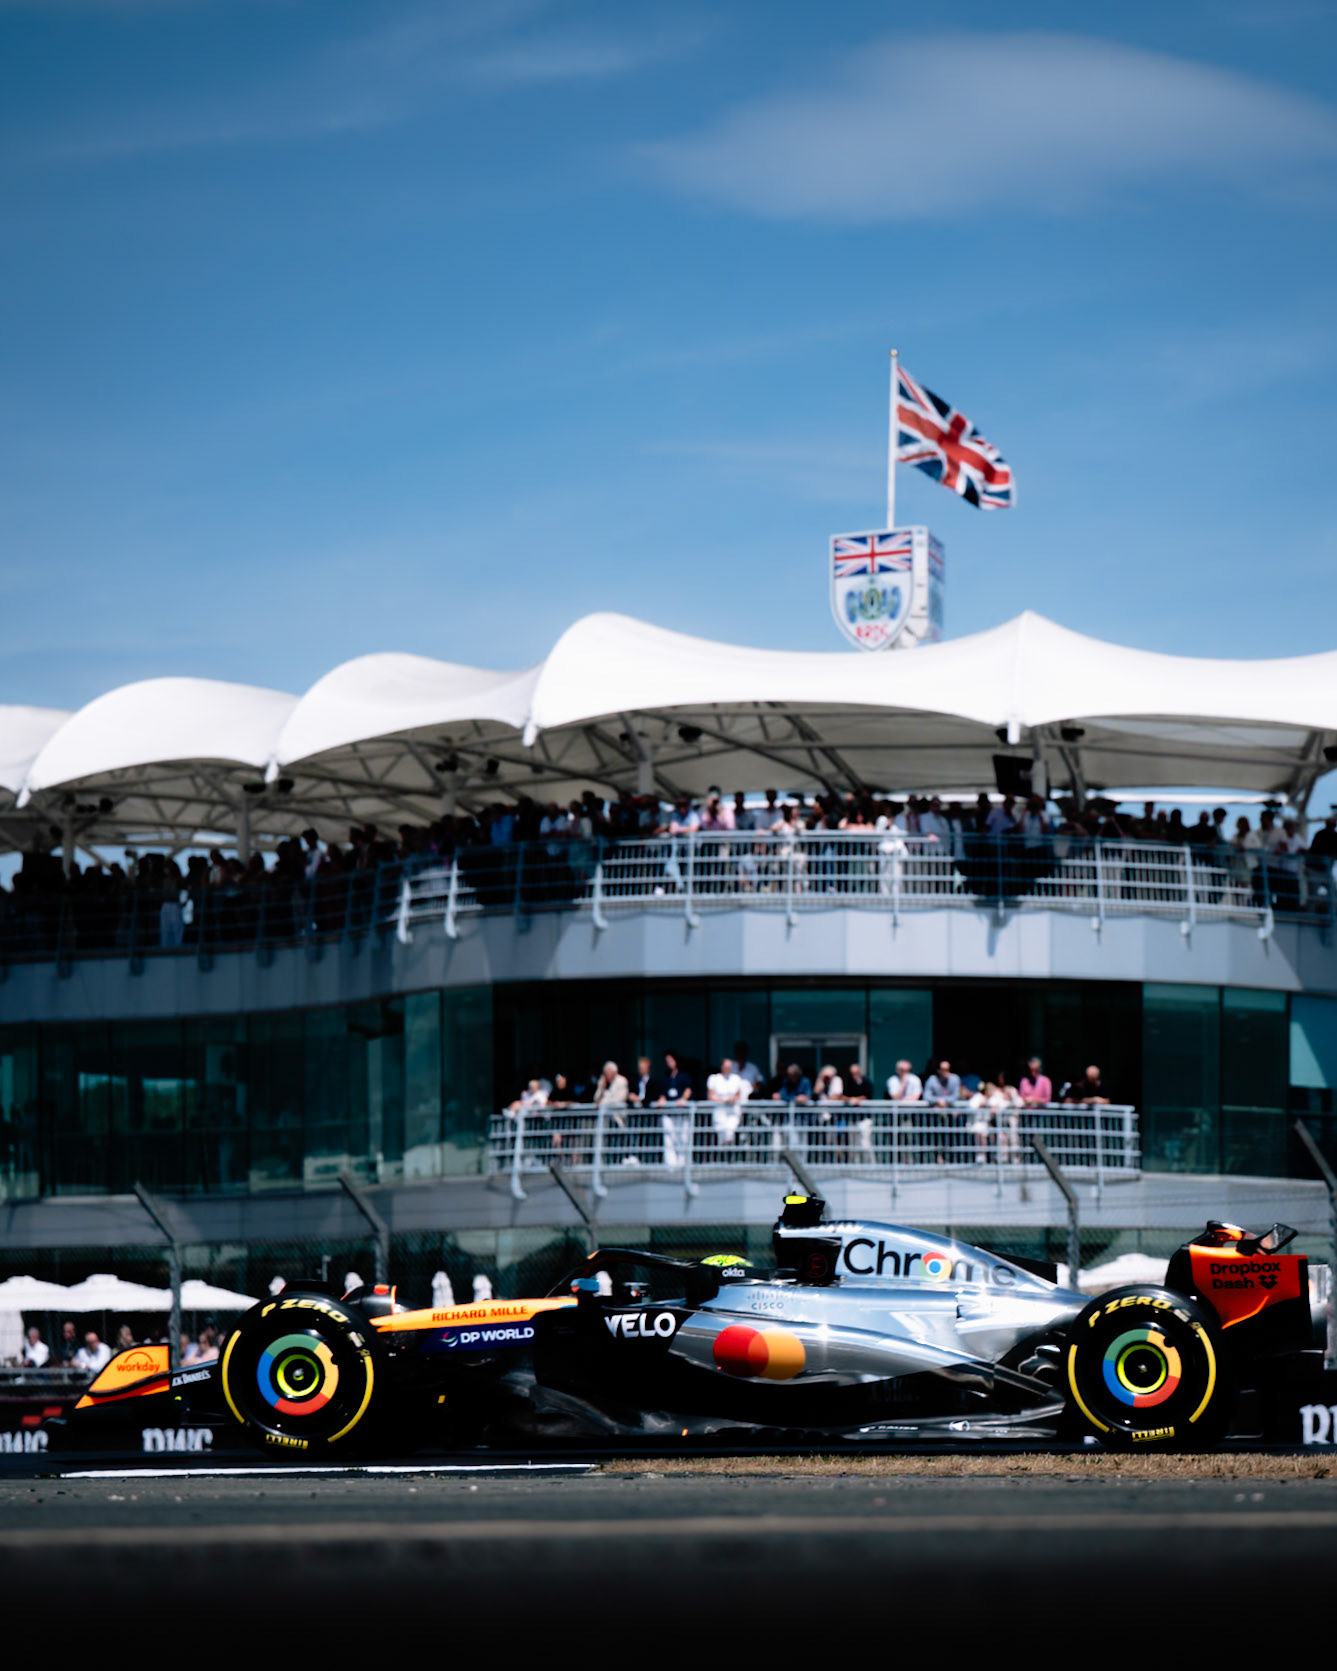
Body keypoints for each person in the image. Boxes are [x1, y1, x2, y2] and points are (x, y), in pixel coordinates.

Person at [657, 1050, 693, 1167]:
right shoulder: (665, 1076)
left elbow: (688, 1089)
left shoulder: (684, 1075)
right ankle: (671, 1164)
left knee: (682, 1138)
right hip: (669, 1112)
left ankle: (683, 1163)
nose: (669, 1063)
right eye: (667, 1061)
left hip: (681, 1112)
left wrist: (683, 1099)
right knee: (669, 1137)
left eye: (671, 1060)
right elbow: (662, 1092)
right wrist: (662, 1099)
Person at [706, 1056, 748, 1152]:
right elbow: (711, 1096)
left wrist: (732, 1099)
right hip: (719, 1113)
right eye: (726, 1067)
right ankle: (722, 1157)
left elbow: (738, 1095)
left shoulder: (736, 1078)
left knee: (730, 1131)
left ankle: (730, 1156)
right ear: (721, 1067)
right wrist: (724, 1100)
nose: (728, 1069)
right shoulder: (714, 1078)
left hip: (733, 1112)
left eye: (730, 1067)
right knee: (721, 1135)